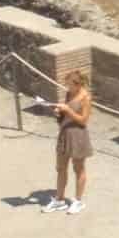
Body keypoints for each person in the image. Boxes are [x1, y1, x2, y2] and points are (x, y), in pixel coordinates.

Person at [48, 67, 93, 214]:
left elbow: (83, 121)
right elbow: (65, 116)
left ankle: (78, 201)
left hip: (78, 136)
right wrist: (59, 113)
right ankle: (59, 200)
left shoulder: (85, 98)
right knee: (60, 168)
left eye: (69, 84)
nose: (67, 87)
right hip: (65, 133)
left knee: (78, 169)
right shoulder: (69, 94)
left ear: (78, 84)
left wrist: (67, 111)